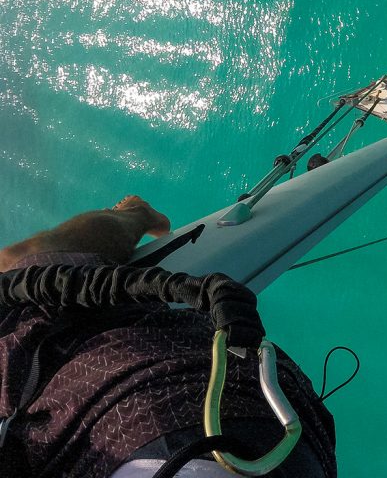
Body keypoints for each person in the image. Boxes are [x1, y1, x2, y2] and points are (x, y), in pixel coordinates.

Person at [0, 196, 337, 478]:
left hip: (282, 437)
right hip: (162, 398)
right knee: (27, 260)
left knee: (26, 265)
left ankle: (133, 216)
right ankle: (135, 215)